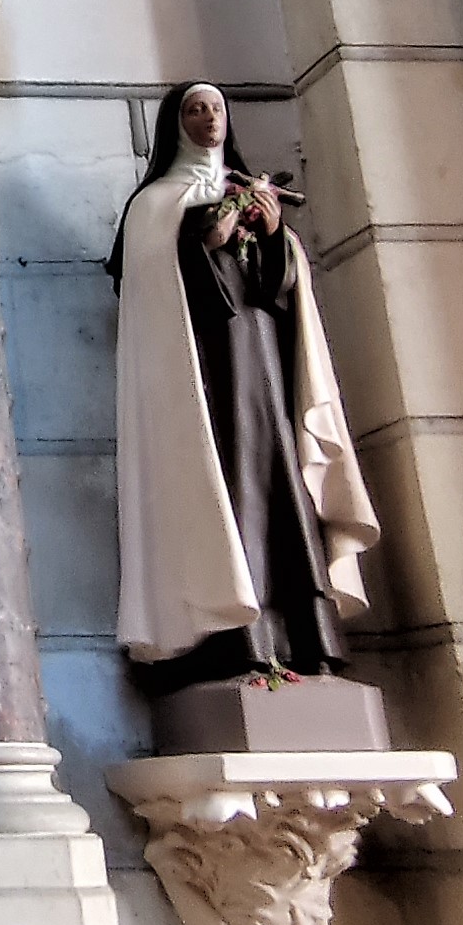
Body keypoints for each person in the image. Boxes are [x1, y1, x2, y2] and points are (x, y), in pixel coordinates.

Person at [109, 81, 377, 685]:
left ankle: (301, 640)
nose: (209, 119)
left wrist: (275, 232)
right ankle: (232, 642)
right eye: (195, 110)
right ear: (175, 124)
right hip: (202, 373)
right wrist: (205, 242)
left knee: (278, 484)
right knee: (223, 486)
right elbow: (148, 285)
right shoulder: (156, 204)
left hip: (261, 365)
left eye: (216, 109)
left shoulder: (244, 188)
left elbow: (279, 292)